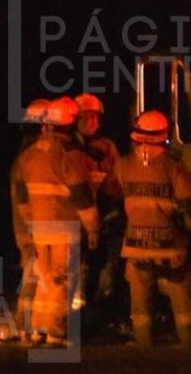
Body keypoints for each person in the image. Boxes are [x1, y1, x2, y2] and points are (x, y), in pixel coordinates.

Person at [10, 96, 101, 347]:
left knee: (45, 280)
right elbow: (82, 198)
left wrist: (32, 222)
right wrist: (94, 228)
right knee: (62, 281)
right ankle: (55, 334)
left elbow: (22, 199)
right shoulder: (68, 156)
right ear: (71, 124)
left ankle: (38, 330)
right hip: (64, 228)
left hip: (40, 229)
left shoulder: (29, 155)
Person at [115, 110, 191, 347]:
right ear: (164, 136)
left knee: (140, 302)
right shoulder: (174, 168)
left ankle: (144, 344)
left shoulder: (123, 165)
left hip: (135, 249)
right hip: (170, 250)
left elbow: (110, 196)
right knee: (183, 297)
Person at [71, 92, 125, 333]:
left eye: (95, 117)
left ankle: (98, 319)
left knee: (107, 271)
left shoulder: (107, 147)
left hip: (106, 219)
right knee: (76, 275)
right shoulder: (68, 150)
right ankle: (75, 324)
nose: (92, 121)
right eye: (86, 117)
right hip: (76, 223)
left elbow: (117, 182)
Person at [7, 97, 50, 344]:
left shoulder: (23, 156)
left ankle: (31, 327)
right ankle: (27, 327)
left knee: (34, 277)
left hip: (28, 229)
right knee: (35, 279)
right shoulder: (32, 158)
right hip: (34, 230)